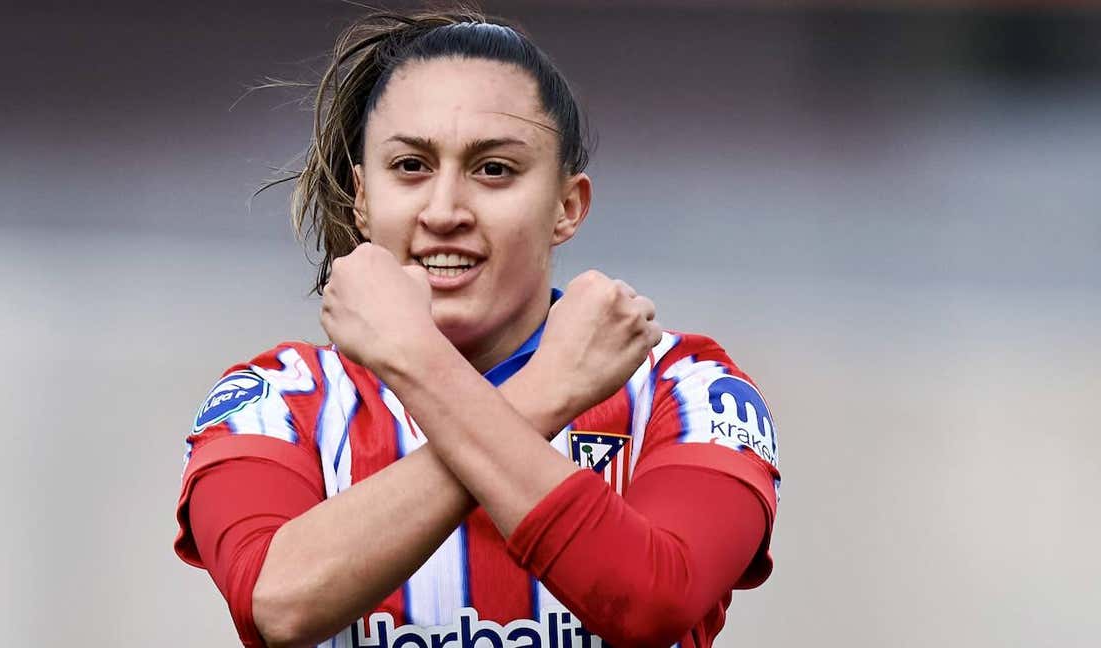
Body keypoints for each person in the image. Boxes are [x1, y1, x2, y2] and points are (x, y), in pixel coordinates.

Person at [174, 7, 781, 648]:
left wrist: (416, 362)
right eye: (410, 166)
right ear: (361, 197)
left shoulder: (686, 388)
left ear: (565, 207)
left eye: (494, 170)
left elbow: (652, 602)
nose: (444, 211)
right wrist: (541, 394)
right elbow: (279, 603)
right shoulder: (277, 397)